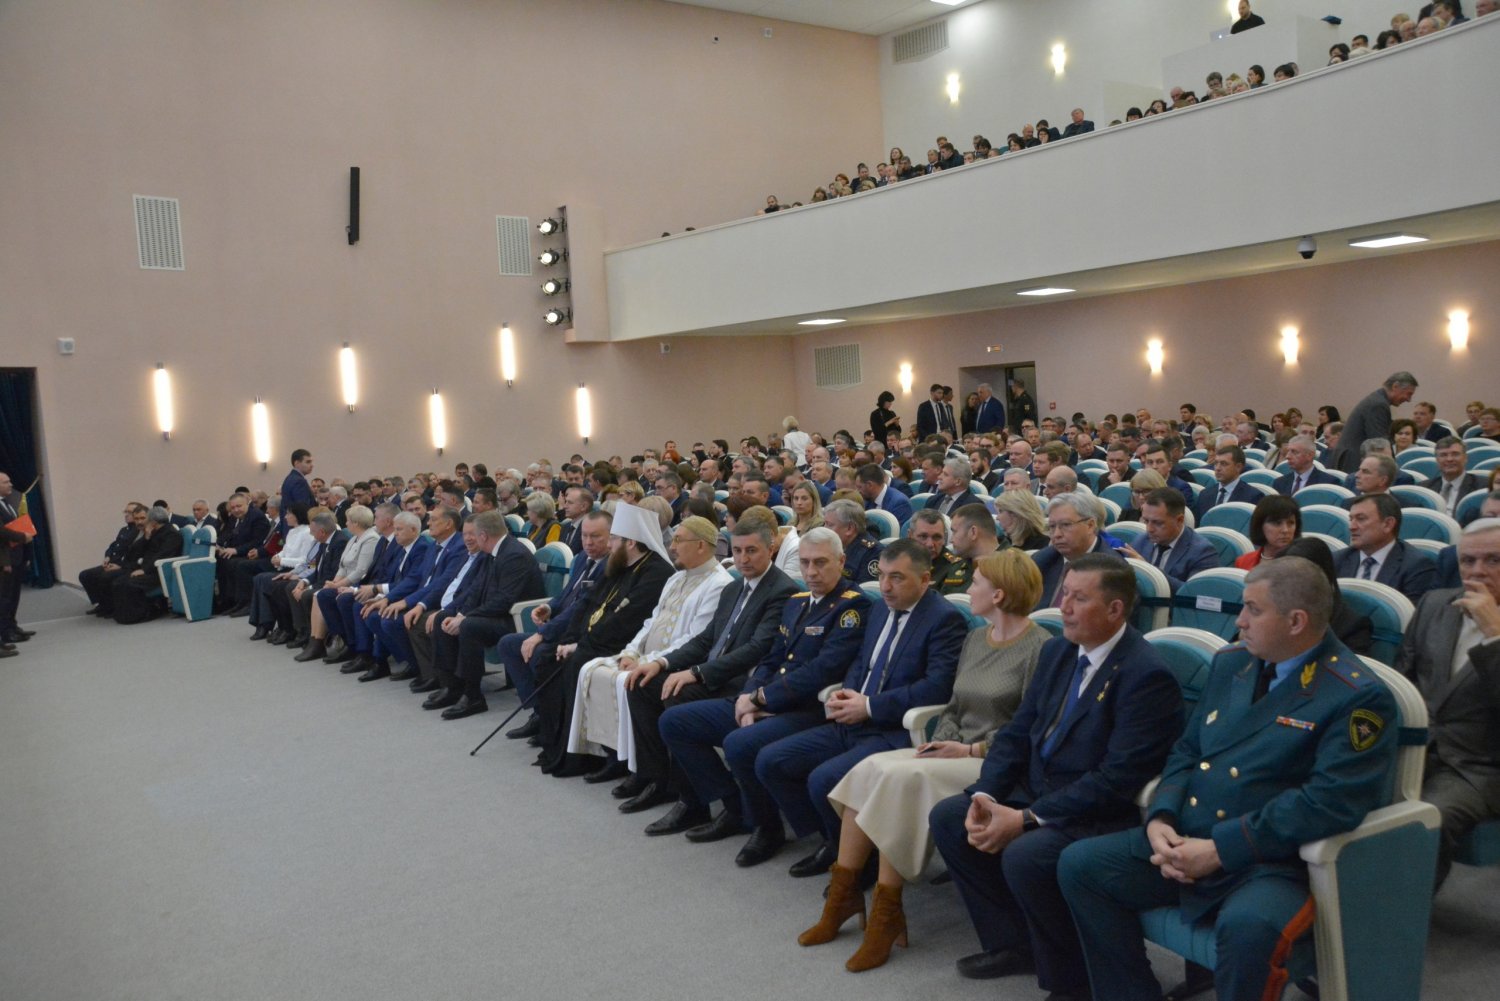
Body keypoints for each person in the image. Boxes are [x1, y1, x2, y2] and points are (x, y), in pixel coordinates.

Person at [1059, 556, 1399, 1001]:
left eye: (1253, 610)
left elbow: (1328, 802)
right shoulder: (1232, 662)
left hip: (1269, 862)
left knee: (1249, 928)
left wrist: (1221, 849)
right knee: (1079, 865)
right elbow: (1188, 749)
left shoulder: (1356, 695)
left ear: (1296, 621)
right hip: (1190, 836)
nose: (1239, 621)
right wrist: (1162, 817)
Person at [930, 555, 1183, 992]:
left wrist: (1027, 818)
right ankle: (1015, 943)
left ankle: (1073, 981)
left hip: (1095, 810)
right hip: (1039, 786)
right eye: (1064, 593)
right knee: (951, 818)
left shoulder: (1145, 675)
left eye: (1078, 598)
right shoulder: (1058, 650)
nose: (1062, 605)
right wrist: (986, 794)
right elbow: (1018, 731)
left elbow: (1116, 780)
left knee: (1027, 855)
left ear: (1115, 609)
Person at [799, 550, 1049, 972]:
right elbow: (953, 707)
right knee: (869, 770)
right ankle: (842, 898)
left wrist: (969, 749)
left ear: (999, 594)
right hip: (952, 750)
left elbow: (1029, 727)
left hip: (992, 760)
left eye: (976, 583)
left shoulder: (1039, 648)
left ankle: (887, 913)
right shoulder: (977, 639)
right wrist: (942, 741)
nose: (968, 589)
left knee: (901, 780)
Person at [658, 527, 871, 866]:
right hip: (766, 699)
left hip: (806, 709)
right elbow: (772, 658)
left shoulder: (852, 607)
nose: (811, 571)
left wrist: (762, 699)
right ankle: (735, 808)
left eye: (820, 562)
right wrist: (748, 697)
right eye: (805, 563)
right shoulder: (798, 602)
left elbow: (821, 671)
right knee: (675, 721)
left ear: (841, 561)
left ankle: (768, 828)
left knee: (740, 744)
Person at [756, 539, 968, 878]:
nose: (885, 585)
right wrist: (848, 693)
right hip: (853, 717)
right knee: (771, 761)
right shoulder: (880, 608)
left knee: (823, 779)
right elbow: (863, 661)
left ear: (925, 579)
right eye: (881, 575)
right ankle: (834, 841)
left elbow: (936, 688)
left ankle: (859, 861)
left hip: (892, 729)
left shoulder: (944, 619)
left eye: (897, 577)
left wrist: (869, 706)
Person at [627, 510, 798, 834]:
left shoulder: (782, 590)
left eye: (752, 551)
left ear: (771, 549)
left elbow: (757, 648)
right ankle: (659, 779)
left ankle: (703, 802)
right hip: (714, 673)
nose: (743, 559)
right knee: (642, 683)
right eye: (738, 551)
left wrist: (696, 672)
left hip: (743, 681)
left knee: (677, 697)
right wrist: (662, 663)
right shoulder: (733, 588)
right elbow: (707, 639)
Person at [566, 515, 731, 802]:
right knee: (592, 670)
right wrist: (631, 651)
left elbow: (695, 639)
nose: (672, 546)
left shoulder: (719, 584)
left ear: (701, 546)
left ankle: (652, 774)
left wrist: (649, 661)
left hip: (678, 663)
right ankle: (621, 759)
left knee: (634, 682)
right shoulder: (676, 577)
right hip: (648, 656)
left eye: (679, 540)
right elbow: (651, 622)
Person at [532, 503, 676, 773]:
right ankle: (555, 742)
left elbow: (626, 620)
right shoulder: (619, 564)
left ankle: (595, 756)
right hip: (596, 639)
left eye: (614, 539)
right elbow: (587, 604)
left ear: (630, 542)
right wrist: (569, 639)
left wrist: (580, 645)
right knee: (549, 658)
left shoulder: (656, 573)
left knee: (577, 662)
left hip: (623, 644)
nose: (610, 544)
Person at [1398, 519, 1500, 888]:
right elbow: (1403, 680)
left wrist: (1494, 635)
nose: (1478, 572)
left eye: (1493, 561)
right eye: (1468, 561)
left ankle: (1403, 913)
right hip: (1415, 746)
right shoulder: (1435, 604)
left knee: (1425, 819)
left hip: (1480, 767)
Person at [1335, 493, 1439, 604]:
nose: (1351, 527)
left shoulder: (1416, 566)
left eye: (1361, 519)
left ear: (1388, 524)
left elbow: (1410, 613)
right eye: (1351, 519)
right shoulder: (1337, 559)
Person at [1119, 488, 1219, 593]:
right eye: (1146, 521)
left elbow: (1194, 594)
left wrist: (1149, 570)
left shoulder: (1203, 551)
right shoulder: (1142, 540)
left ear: (1179, 520)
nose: (1149, 529)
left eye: (1158, 523)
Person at [1032, 493, 1124, 607]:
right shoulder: (1041, 560)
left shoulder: (1113, 570)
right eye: (1052, 526)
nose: (1056, 534)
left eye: (1066, 525)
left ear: (1090, 525)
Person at [104, 505, 184, 624]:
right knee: (119, 581)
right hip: (149, 568)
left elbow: (162, 556)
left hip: (159, 572)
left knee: (128, 583)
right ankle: (123, 614)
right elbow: (135, 550)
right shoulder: (154, 532)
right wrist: (146, 537)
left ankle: (141, 614)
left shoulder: (171, 534)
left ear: (154, 522)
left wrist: (144, 570)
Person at [1330, 372, 1418, 473]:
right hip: (1353, 461)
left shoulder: (1376, 399)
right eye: (1409, 394)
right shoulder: (1378, 405)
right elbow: (1379, 444)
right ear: (1395, 386)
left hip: (1349, 458)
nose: (1409, 399)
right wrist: (1395, 471)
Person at [822, 499, 884, 587]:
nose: (824, 529)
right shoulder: (829, 544)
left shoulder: (873, 553)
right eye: (824, 524)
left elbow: (863, 589)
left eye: (830, 525)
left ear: (849, 529)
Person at [1192, 445, 1260, 524]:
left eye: (1224, 464)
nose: (1217, 468)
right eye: (1216, 463)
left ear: (1238, 467)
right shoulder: (1205, 494)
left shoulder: (1253, 496)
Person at [1236, 495, 1301, 570]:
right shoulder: (1243, 562)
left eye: (1291, 523)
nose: (1285, 530)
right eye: (1277, 523)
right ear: (1260, 526)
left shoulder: (1303, 563)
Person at [1426, 436, 1485, 518]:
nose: (1449, 459)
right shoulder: (1425, 489)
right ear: (1437, 460)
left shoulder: (1483, 487)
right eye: (1443, 455)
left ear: (1465, 458)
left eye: (1455, 454)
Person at [1271, 435, 1341, 495]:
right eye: (1288, 451)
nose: (1288, 456)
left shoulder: (1328, 483)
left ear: (1310, 455)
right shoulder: (1279, 483)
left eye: (1294, 452)